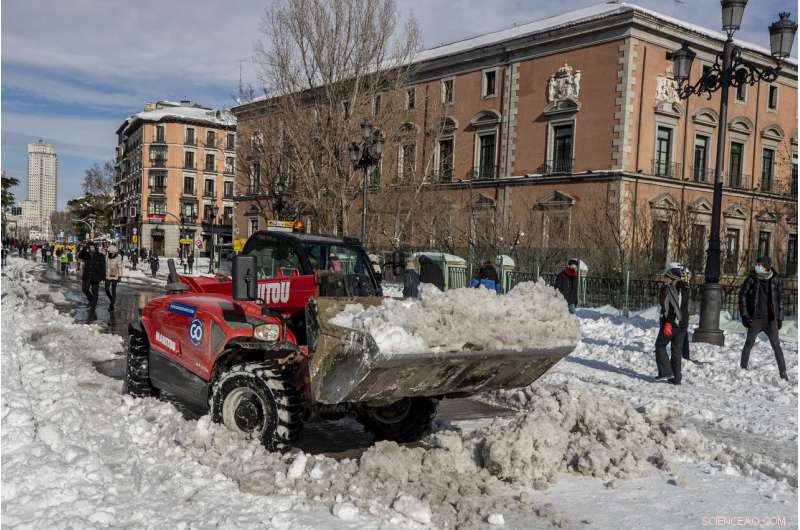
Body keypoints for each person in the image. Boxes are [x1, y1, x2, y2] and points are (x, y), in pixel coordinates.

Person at [738, 256, 787, 380]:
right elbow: (742, 295)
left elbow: (781, 299)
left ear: (766, 267)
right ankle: (743, 368)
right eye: (757, 264)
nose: (757, 266)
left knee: (776, 346)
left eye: (760, 264)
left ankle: (783, 373)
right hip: (756, 318)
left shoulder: (776, 279)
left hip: (771, 319)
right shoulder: (752, 278)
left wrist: (780, 318)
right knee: (749, 343)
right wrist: (745, 315)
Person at [654, 262, 689, 385]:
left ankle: (665, 372)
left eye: (666, 277)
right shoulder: (685, 287)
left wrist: (669, 322)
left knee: (660, 345)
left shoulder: (673, 288)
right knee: (676, 351)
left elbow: (674, 307)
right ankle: (676, 377)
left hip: (672, 323)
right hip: (683, 324)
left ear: (671, 277)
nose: (665, 279)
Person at [80, 243, 106, 314]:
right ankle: (91, 300)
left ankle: (93, 305)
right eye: (90, 247)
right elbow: (83, 264)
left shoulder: (100, 255)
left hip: (96, 275)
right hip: (87, 275)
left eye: (92, 247)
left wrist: (103, 276)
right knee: (84, 289)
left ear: (95, 247)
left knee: (95, 291)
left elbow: (103, 267)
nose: (91, 248)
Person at [105, 245, 123, 312]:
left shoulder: (118, 257)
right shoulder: (107, 256)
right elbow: (105, 266)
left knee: (113, 290)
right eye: (110, 252)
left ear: (115, 252)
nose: (111, 254)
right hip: (107, 275)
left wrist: (120, 276)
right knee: (106, 289)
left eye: (112, 253)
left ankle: (111, 305)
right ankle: (112, 299)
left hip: (115, 276)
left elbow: (120, 267)